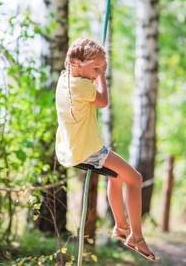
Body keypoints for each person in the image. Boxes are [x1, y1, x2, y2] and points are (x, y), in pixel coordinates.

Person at [55, 37, 158, 262]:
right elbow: (103, 102)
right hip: (89, 149)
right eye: (95, 68)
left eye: (101, 68)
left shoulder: (65, 79)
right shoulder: (82, 85)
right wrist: (101, 78)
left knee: (116, 177)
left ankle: (121, 227)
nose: (98, 72)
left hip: (72, 150)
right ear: (76, 63)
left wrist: (94, 69)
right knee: (136, 179)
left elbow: (86, 82)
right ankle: (137, 236)